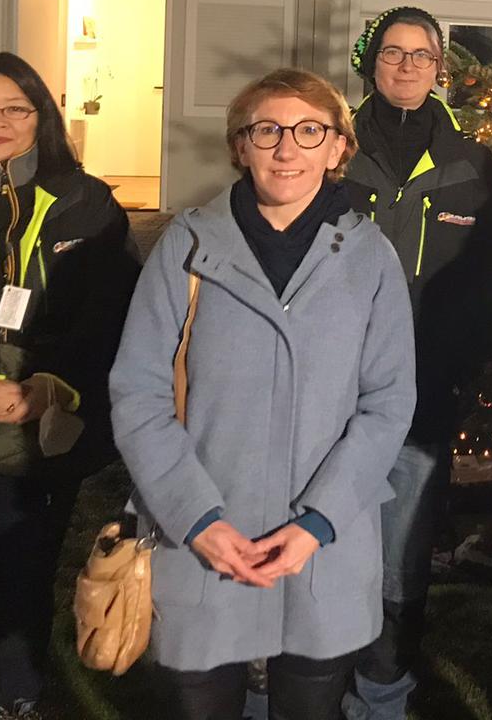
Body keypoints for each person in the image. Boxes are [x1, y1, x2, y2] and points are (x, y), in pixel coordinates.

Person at [110, 68, 415, 720]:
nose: (286, 149)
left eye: (309, 131)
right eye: (267, 130)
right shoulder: (186, 249)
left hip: (321, 552)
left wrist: (318, 522)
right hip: (203, 542)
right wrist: (195, 519)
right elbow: (138, 392)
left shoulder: (370, 258)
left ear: (338, 148)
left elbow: (388, 401)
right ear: (239, 146)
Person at [0, 51, 139, 720]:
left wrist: (56, 382)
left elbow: (115, 314)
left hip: (44, 439)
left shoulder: (85, 203)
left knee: (25, 588)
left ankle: (17, 703)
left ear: (41, 118)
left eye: (16, 107)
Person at [340, 7, 492, 720]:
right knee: (315, 538)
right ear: (370, 61)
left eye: (421, 54)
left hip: (421, 395)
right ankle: (305, 680)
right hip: (329, 391)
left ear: (439, 67)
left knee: (400, 554)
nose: (406, 66)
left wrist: (460, 374)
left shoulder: (472, 165)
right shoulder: (331, 146)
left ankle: (383, 690)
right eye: (392, 53)